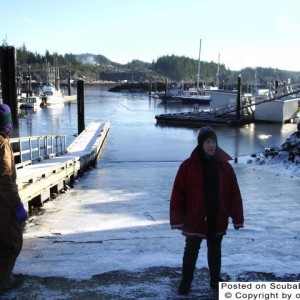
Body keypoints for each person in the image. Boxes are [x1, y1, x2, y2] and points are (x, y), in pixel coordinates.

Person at [170, 126, 244, 295]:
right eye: (208, 142)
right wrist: (177, 219)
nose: (211, 145)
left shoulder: (225, 167)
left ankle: (215, 280)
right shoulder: (187, 167)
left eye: (214, 142)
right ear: (201, 144)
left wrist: (237, 218)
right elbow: (178, 194)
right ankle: (186, 282)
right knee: (191, 251)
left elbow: (234, 194)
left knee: (215, 251)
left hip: (217, 217)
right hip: (194, 218)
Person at [0, 104, 27, 291]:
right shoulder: (1, 144)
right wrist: (16, 204)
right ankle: (4, 281)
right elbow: (4, 178)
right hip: (3, 203)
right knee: (12, 241)